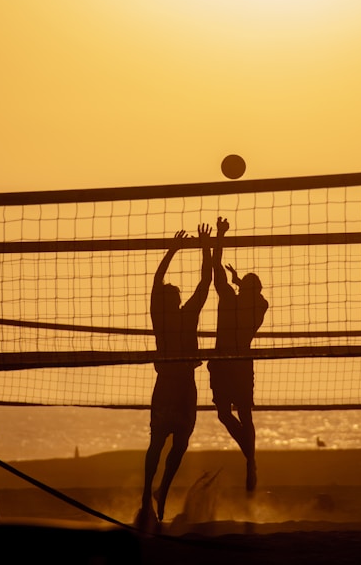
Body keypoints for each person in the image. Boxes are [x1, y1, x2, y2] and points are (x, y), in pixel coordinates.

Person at [138, 223, 212, 524]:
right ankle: (147, 494)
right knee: (159, 443)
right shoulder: (165, 317)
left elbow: (204, 283)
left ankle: (159, 493)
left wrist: (201, 248)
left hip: (181, 386)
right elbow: (159, 282)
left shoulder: (183, 315)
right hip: (171, 385)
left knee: (178, 444)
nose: (170, 300)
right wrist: (182, 249)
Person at [208, 217, 268, 492]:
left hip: (224, 363)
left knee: (227, 414)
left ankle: (250, 458)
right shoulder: (258, 308)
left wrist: (218, 238)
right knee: (242, 415)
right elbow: (254, 294)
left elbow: (215, 267)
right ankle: (251, 459)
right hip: (238, 363)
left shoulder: (229, 300)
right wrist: (239, 280)